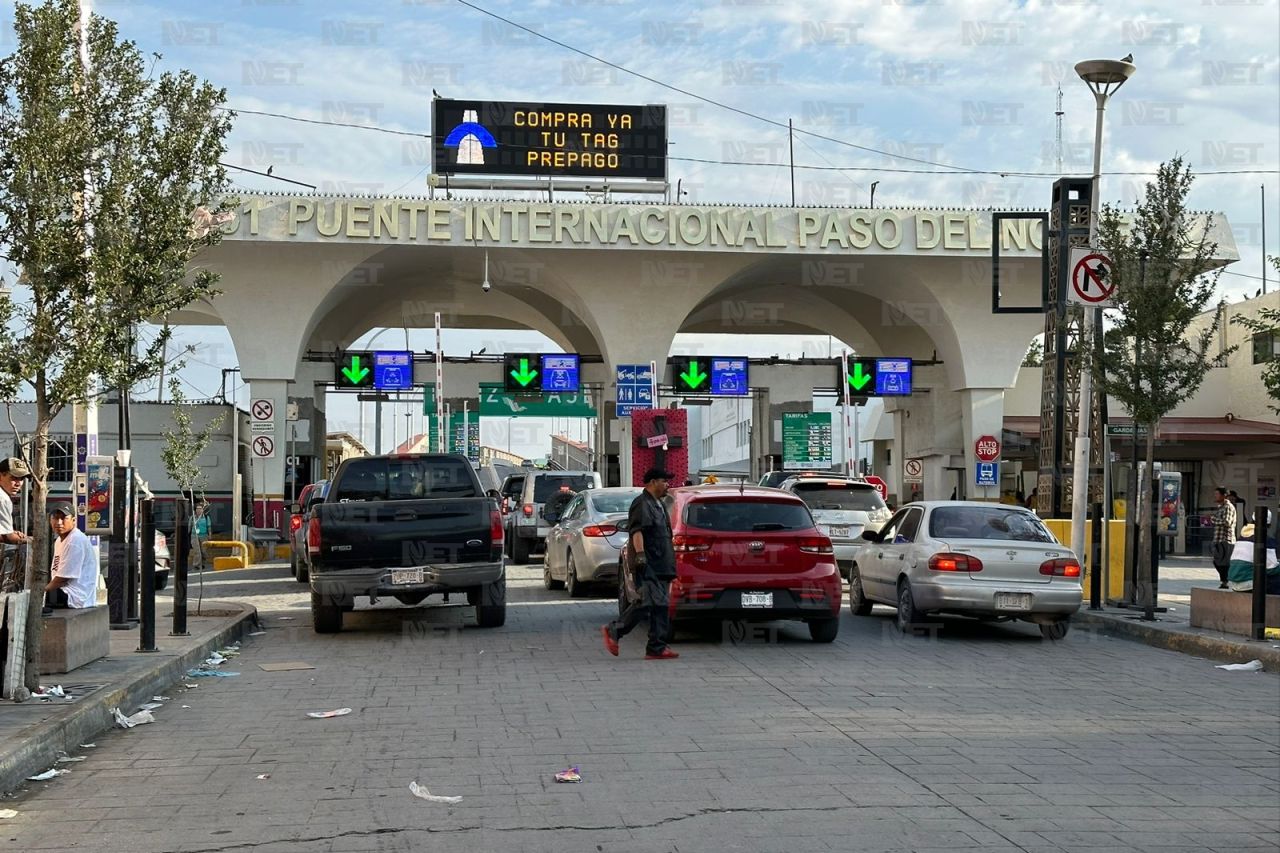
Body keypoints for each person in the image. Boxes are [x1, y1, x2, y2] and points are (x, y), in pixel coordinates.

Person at [601, 467, 679, 660]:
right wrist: (641, 556)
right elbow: (637, 531)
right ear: (652, 482)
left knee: (660, 605)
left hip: (662, 563)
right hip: (649, 562)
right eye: (664, 480)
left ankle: (656, 647)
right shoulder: (642, 504)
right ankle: (614, 630)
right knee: (646, 602)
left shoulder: (658, 504)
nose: (667, 484)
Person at [44, 502, 99, 613]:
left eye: (64, 518)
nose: (59, 522)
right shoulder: (60, 540)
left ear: (73, 520)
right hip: (64, 591)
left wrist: (41, 592)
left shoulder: (75, 541)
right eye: (55, 518)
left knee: (34, 598)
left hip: (75, 597)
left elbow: (63, 579)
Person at [1226, 516, 1280, 595]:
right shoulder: (1265, 539)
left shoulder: (1241, 538)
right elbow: (1271, 569)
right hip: (1250, 584)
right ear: (1269, 525)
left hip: (1234, 584)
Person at [0, 457, 31, 548]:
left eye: (21, 479)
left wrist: (11, 532)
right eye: (14, 478)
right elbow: (7, 538)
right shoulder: (2, 498)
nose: (18, 483)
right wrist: (31, 540)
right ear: (1, 476)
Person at [1210, 487, 1237, 589]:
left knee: (1223, 562)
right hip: (1218, 538)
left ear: (1224, 495)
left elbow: (1227, 522)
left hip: (1226, 539)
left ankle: (1225, 581)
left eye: (1217, 494)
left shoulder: (1228, 507)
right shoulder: (1221, 507)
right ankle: (1224, 581)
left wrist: (1213, 519)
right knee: (1218, 561)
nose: (1215, 496)